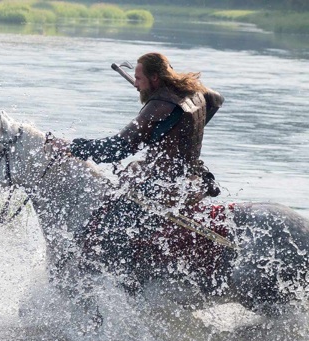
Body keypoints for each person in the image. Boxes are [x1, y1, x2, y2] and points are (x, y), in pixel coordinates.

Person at [64, 52, 225, 293]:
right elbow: (216, 99)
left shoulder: (159, 105)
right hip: (191, 176)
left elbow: (118, 148)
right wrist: (181, 129)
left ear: (156, 79)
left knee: (109, 228)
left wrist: (74, 146)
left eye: (139, 79)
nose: (136, 83)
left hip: (169, 184)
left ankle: (129, 286)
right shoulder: (194, 92)